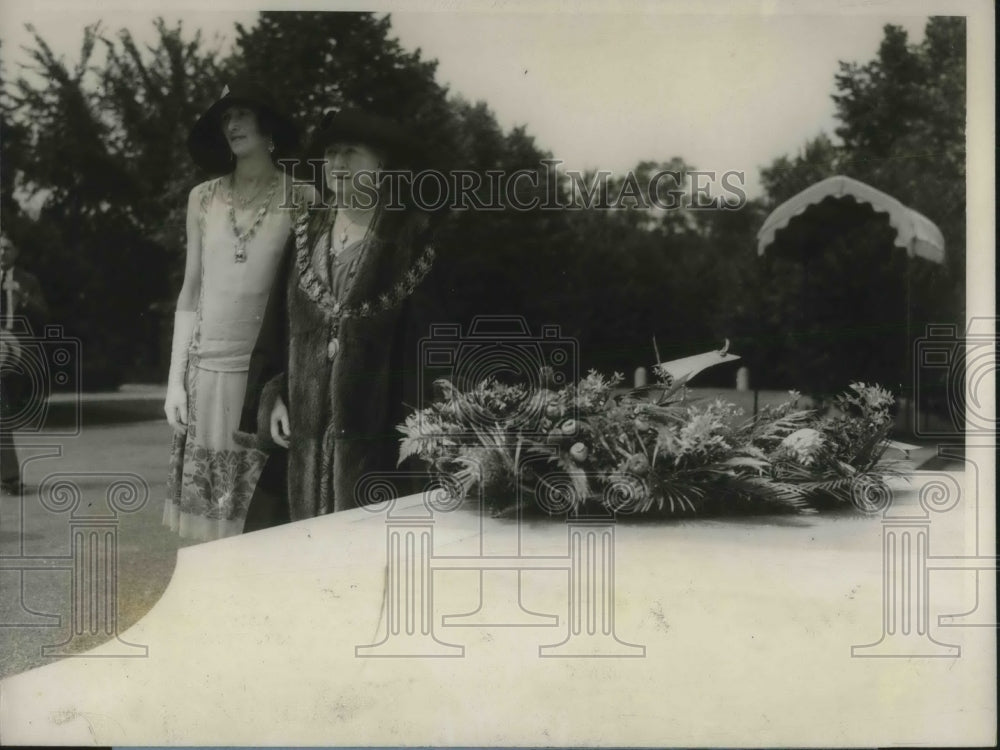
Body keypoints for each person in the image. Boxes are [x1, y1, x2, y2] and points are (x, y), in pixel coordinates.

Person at [236, 108, 440, 529]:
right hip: (303, 445)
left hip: (380, 441)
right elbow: (277, 328)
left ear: (382, 166)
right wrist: (273, 394)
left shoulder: (411, 239)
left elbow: (427, 350)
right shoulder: (306, 235)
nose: (337, 165)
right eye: (330, 154)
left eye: (351, 153)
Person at [162, 79, 311, 541]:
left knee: (262, 521)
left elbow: (304, 301)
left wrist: (286, 385)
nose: (232, 124)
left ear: (269, 128)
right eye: (226, 117)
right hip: (204, 374)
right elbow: (191, 290)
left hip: (264, 382)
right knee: (211, 526)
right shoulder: (202, 198)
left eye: (243, 114)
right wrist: (174, 383)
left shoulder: (303, 197)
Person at [0, 232, 49, 495]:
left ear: (16, 251)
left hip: (19, 355)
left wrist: (24, 298)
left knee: (6, 412)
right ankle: (9, 477)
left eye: (7, 248)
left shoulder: (28, 281)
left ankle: (7, 476)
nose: (2, 253)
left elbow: (43, 317)